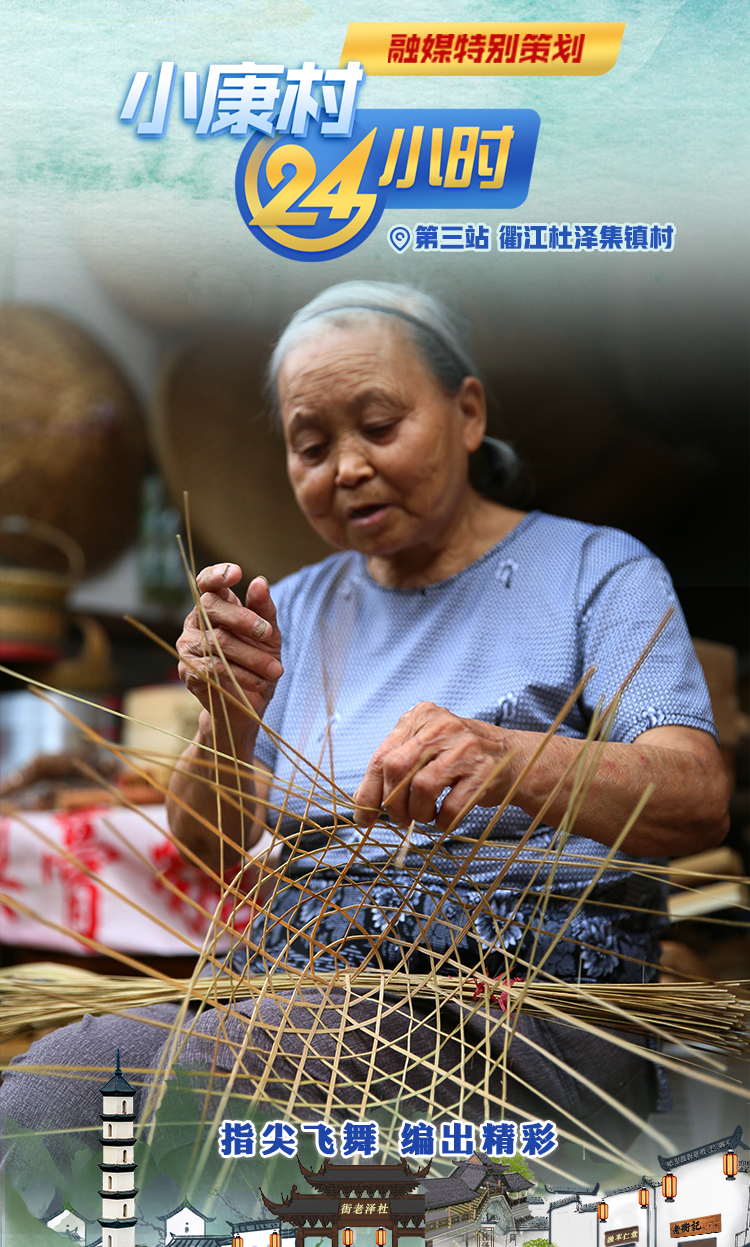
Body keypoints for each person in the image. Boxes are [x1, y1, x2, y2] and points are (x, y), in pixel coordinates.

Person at [0, 283, 730, 1182]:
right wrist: (229, 720)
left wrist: (511, 759)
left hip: (520, 1008)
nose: (345, 467)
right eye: (312, 445)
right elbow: (212, 850)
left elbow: (697, 799)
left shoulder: (597, 570)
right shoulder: (292, 608)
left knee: (137, 1100)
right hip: (295, 985)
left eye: (379, 427)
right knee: (48, 1101)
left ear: (467, 414)